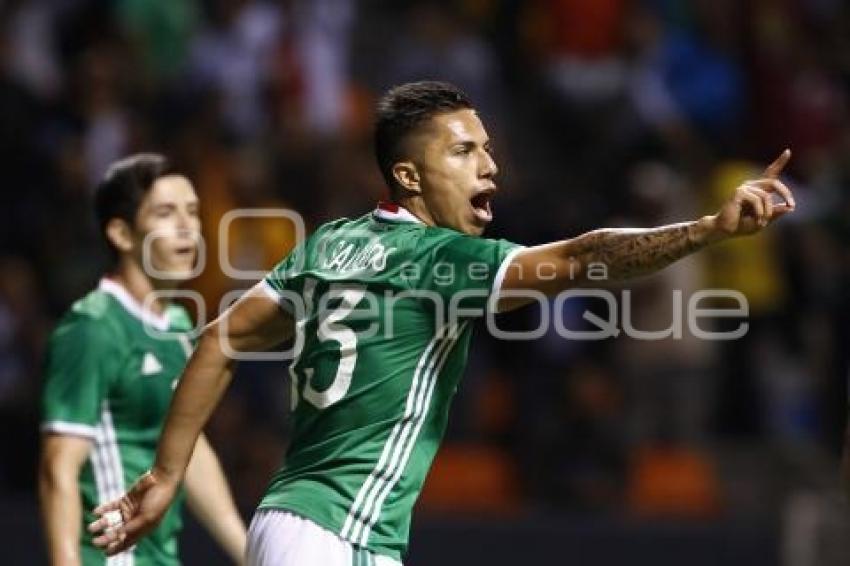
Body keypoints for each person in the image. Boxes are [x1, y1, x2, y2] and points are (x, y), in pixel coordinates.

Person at [89, 82, 795, 565]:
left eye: (488, 149)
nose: (489, 166)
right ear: (409, 177)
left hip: (296, 526)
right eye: (463, 152)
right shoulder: (440, 260)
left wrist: (166, 472)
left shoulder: (330, 244)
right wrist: (708, 228)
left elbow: (220, 338)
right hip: (335, 537)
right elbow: (586, 257)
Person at [39, 154, 246, 565]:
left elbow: (190, 449)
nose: (188, 226)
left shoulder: (177, 322)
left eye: (192, 211)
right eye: (166, 213)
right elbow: (57, 467)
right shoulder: (94, 327)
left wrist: (249, 553)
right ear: (121, 233)